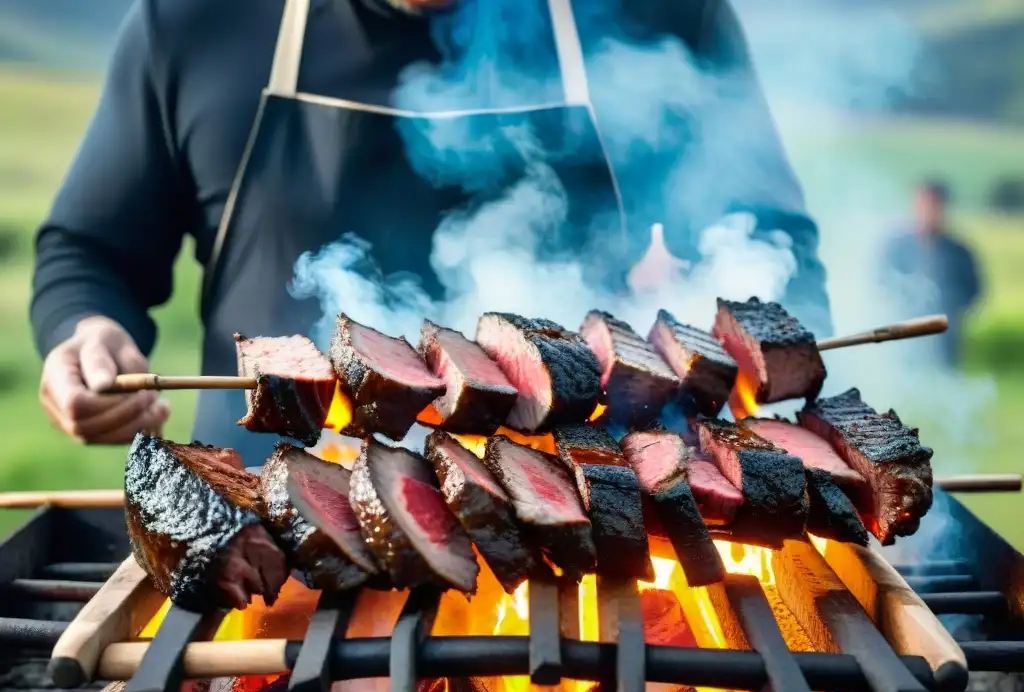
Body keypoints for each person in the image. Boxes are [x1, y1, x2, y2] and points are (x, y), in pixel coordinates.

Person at [32, 0, 831, 467]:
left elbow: (768, 244)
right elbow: (90, 251)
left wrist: (751, 386)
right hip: (266, 539)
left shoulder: (659, 18)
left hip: (584, 527)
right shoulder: (196, 23)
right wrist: (87, 331)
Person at [881, 180, 982, 366]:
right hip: (901, 339)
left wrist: (951, 310)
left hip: (945, 340)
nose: (927, 211)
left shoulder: (959, 252)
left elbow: (974, 291)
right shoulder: (896, 248)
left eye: (933, 205)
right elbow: (880, 285)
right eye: (922, 204)